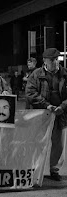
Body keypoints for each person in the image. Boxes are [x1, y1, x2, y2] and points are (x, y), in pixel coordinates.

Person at [26, 48, 67, 181]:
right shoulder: (36, 74)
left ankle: (54, 169)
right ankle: (34, 169)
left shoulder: (64, 73)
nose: (55, 62)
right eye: (52, 60)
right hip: (41, 114)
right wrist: (46, 105)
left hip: (59, 114)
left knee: (58, 143)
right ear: (45, 61)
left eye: (56, 60)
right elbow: (30, 93)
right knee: (37, 142)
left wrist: (62, 106)